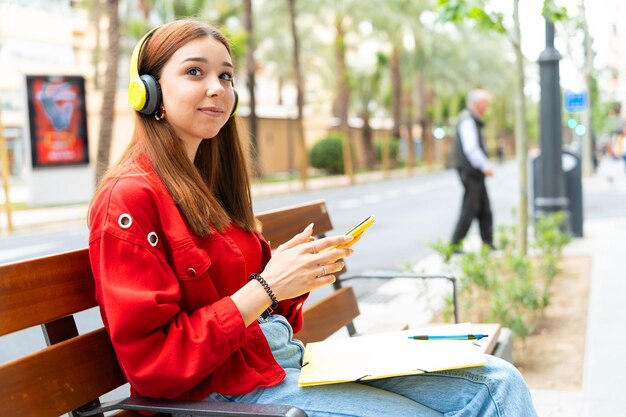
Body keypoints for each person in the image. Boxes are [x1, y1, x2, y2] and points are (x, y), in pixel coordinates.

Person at [88, 20, 538, 417]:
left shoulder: (209, 187)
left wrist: (296, 277)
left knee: (496, 382)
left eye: (226, 75)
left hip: (277, 363)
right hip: (218, 396)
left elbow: (262, 309)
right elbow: (154, 366)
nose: (217, 88)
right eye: (194, 72)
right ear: (147, 91)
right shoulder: (128, 199)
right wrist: (266, 287)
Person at [450, 88, 494, 251]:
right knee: (470, 208)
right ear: (477, 104)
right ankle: (454, 245)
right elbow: (471, 148)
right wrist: (485, 166)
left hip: (474, 172)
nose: (486, 107)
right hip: (471, 171)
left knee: (484, 208)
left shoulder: (472, 120)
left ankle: (487, 243)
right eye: (485, 104)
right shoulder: (468, 120)